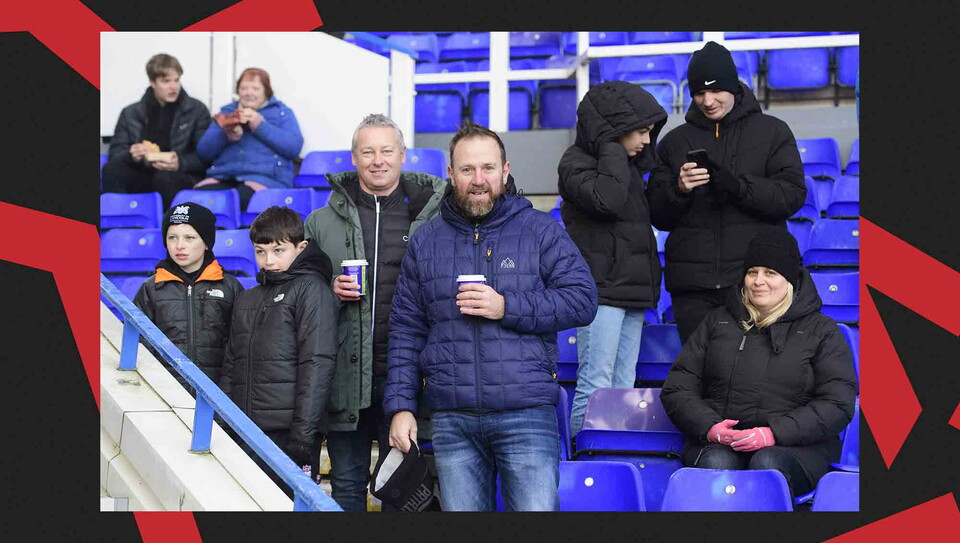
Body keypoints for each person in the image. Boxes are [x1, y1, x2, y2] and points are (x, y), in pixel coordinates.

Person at [384, 123, 598, 512]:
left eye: (488, 168)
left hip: (526, 414)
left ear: (506, 170)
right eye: (467, 170)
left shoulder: (540, 231)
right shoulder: (426, 240)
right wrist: (401, 407)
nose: (479, 180)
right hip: (452, 419)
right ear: (450, 174)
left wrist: (507, 306)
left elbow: (583, 301)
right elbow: (406, 329)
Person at [303, 113, 446, 512]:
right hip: (345, 377)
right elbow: (300, 292)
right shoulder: (319, 222)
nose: (377, 160)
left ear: (403, 156)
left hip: (406, 373)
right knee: (346, 485)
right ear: (353, 158)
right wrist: (328, 290)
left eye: (386, 151)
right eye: (368, 151)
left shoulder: (436, 216)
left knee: (403, 487)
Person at [659, 227, 858, 498]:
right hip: (720, 445)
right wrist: (710, 428)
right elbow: (678, 387)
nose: (757, 281)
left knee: (766, 465)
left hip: (797, 448)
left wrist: (774, 433)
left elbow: (837, 402)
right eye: (752, 272)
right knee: (717, 463)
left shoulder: (821, 331)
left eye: (770, 273)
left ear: (790, 279)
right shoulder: (718, 321)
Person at [646, 41, 806, 344]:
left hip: (752, 284)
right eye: (699, 93)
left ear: (733, 86)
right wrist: (678, 190)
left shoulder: (773, 131)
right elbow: (656, 214)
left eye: (716, 90)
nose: (707, 100)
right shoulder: (673, 142)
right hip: (692, 288)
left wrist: (739, 187)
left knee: (754, 377)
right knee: (702, 376)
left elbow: (792, 196)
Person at [557, 80, 668, 435]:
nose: (646, 141)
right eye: (640, 131)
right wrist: (611, 148)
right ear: (614, 129)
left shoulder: (628, 166)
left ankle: (616, 456)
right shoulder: (576, 164)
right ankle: (587, 463)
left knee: (624, 388)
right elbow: (608, 200)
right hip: (600, 292)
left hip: (631, 291)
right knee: (596, 387)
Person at [219, 206, 338, 496]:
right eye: (260, 252)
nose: (268, 261)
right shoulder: (248, 297)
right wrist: (223, 422)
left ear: (301, 247)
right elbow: (231, 363)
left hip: (289, 434)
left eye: (278, 250)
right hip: (246, 430)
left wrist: (303, 435)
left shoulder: (311, 289)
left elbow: (317, 362)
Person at [133, 202, 243, 393]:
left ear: (207, 242)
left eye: (189, 238)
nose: (179, 246)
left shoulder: (229, 287)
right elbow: (140, 345)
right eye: (172, 237)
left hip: (219, 398)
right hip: (165, 396)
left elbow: (240, 346)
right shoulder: (151, 288)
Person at [102, 54, 211, 209]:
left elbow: (206, 155)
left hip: (180, 175)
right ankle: (119, 226)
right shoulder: (130, 113)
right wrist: (132, 154)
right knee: (111, 170)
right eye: (166, 81)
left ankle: (171, 229)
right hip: (143, 173)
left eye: (176, 80)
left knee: (163, 178)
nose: (173, 87)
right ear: (152, 83)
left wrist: (180, 162)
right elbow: (115, 154)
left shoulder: (196, 110)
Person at [196, 68, 304, 209]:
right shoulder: (227, 113)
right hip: (224, 177)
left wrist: (260, 126)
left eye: (255, 88)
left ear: (266, 91)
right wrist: (226, 136)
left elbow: (293, 147)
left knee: (234, 201)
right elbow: (203, 151)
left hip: (265, 180)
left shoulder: (281, 113)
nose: (249, 93)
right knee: (195, 202)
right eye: (244, 88)